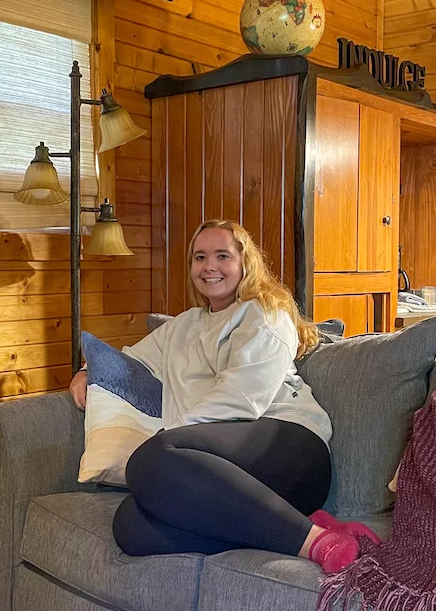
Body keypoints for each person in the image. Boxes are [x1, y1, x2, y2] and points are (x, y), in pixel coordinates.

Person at [69, 219, 377, 574]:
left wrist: (168, 442)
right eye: (200, 257)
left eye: (222, 256)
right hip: (230, 473)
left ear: (245, 265)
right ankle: (302, 526)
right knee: (132, 526)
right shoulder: (183, 326)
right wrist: (87, 371)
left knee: (152, 459)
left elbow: (240, 398)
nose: (209, 266)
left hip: (291, 450)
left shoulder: (265, 314)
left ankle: (315, 544)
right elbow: (130, 361)